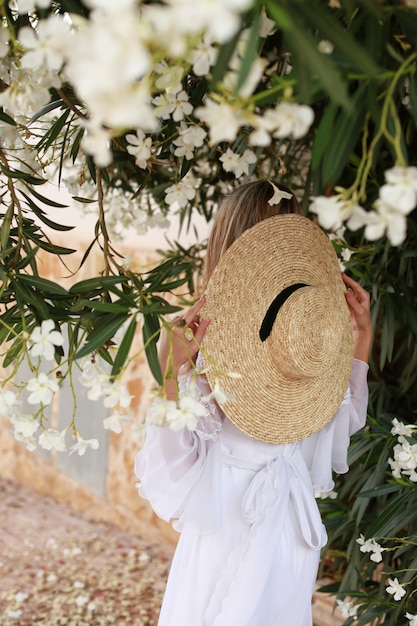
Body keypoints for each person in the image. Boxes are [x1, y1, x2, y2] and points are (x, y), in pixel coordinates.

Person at [135, 180, 372, 626]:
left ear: (223, 247)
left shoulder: (281, 340)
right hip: (283, 530)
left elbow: (176, 469)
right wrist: (360, 345)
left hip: (241, 522)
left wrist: (170, 374)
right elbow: (343, 429)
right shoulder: (301, 342)